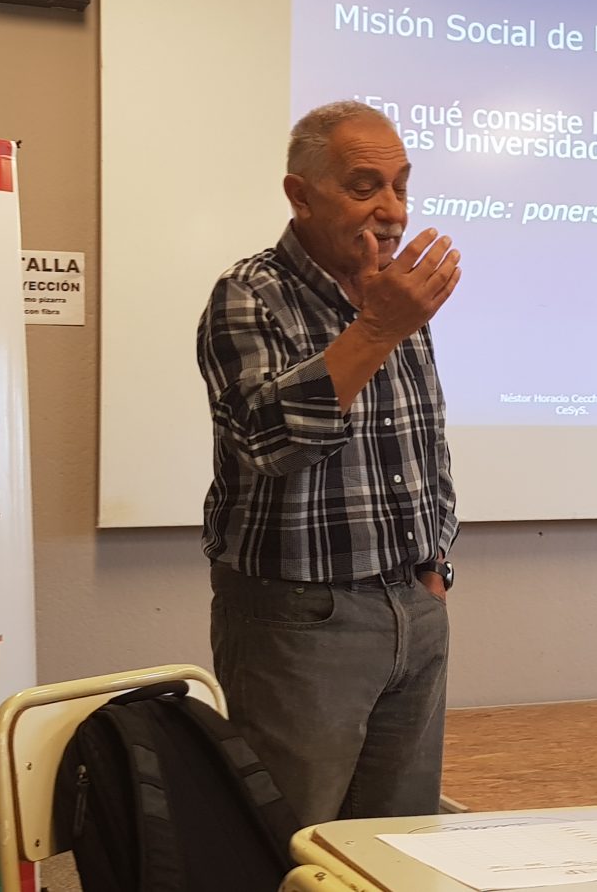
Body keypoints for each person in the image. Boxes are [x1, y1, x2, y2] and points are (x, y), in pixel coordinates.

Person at [196, 100, 463, 825]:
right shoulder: (249, 294)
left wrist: (435, 565)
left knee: (399, 843)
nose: (392, 210)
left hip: (413, 606)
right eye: (364, 186)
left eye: (401, 186)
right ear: (301, 194)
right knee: (290, 843)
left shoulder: (396, 299)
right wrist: (375, 329)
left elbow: (425, 442)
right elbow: (269, 445)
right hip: (300, 621)